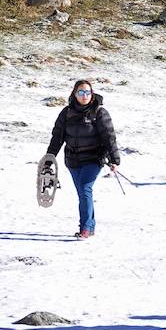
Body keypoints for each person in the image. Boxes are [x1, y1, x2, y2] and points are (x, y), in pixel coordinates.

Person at [44, 80, 119, 239]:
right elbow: (57, 137)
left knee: (85, 189)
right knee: (84, 194)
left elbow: (109, 137)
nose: (84, 96)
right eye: (81, 92)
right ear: (74, 94)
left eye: (87, 93)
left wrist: (114, 159)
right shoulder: (66, 112)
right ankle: (90, 227)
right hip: (72, 160)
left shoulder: (99, 112)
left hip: (93, 159)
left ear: (92, 94)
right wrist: (49, 157)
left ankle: (84, 228)